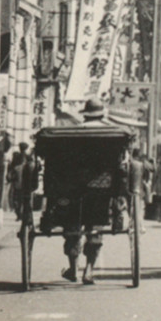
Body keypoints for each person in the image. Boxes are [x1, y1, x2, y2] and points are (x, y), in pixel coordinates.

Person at [62, 99, 115, 284]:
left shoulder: (75, 131)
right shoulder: (110, 132)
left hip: (74, 189)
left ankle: (73, 268)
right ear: (102, 114)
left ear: (85, 114)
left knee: (72, 227)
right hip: (100, 189)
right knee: (94, 229)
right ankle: (89, 270)